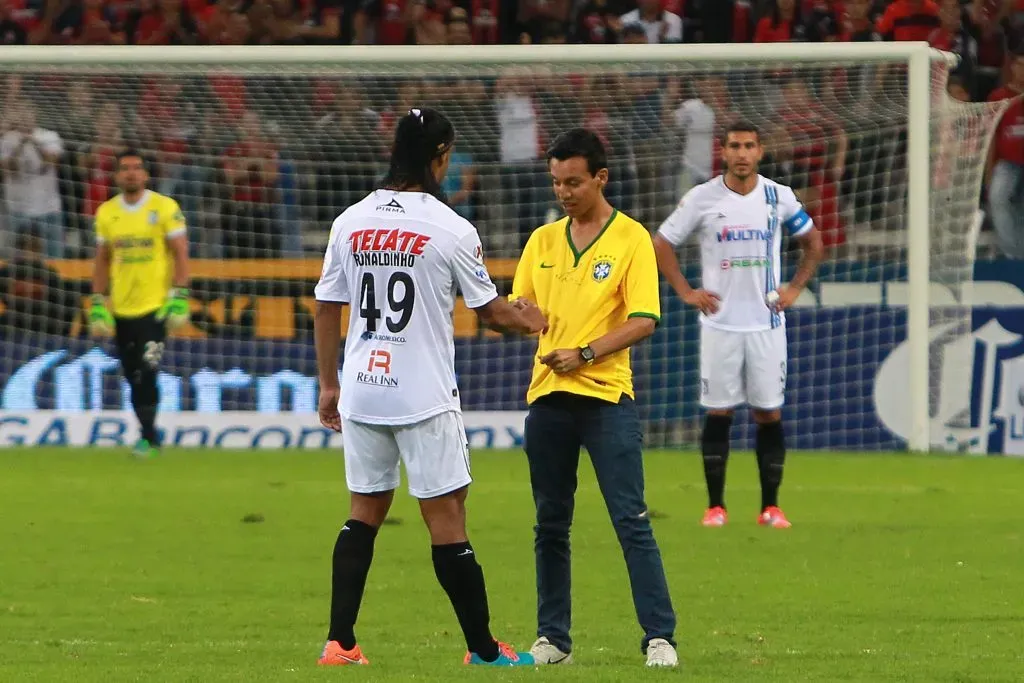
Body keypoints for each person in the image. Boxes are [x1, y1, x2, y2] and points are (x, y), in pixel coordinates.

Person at [313, 107, 547, 668]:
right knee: (447, 515)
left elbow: (325, 306)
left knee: (363, 510)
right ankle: (485, 651)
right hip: (421, 393)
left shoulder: (350, 220)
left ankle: (340, 643)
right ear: (439, 156)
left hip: (362, 387)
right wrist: (528, 320)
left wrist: (328, 386)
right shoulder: (451, 227)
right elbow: (489, 313)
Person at [510, 128, 678, 669]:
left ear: (601, 178)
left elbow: (644, 320)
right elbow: (520, 309)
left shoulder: (632, 239)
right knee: (550, 522)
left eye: (574, 182)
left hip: (606, 397)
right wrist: (515, 318)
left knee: (630, 517)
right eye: (556, 182)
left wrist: (584, 353)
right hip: (549, 398)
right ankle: (552, 639)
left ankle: (659, 637)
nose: (563, 191)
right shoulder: (541, 240)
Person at [652, 121, 825, 529]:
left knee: (768, 413)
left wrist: (796, 287)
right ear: (723, 152)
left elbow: (814, 242)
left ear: (760, 151)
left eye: (749, 145)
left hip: (766, 323)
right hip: (720, 324)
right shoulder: (703, 197)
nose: (742, 153)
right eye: (735, 146)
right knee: (719, 412)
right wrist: (685, 291)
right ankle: (716, 507)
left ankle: (771, 507)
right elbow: (661, 243)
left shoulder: (777, 196)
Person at [89, 150, 190, 458]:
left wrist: (180, 295)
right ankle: (147, 434)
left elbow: (180, 252)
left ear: (146, 174)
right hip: (121, 308)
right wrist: (97, 300)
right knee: (132, 374)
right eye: (124, 168)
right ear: (116, 175)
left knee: (148, 370)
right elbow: (103, 259)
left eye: (136, 168)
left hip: (155, 306)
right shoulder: (107, 213)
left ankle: (149, 439)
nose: (130, 173)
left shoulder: (164, 207)